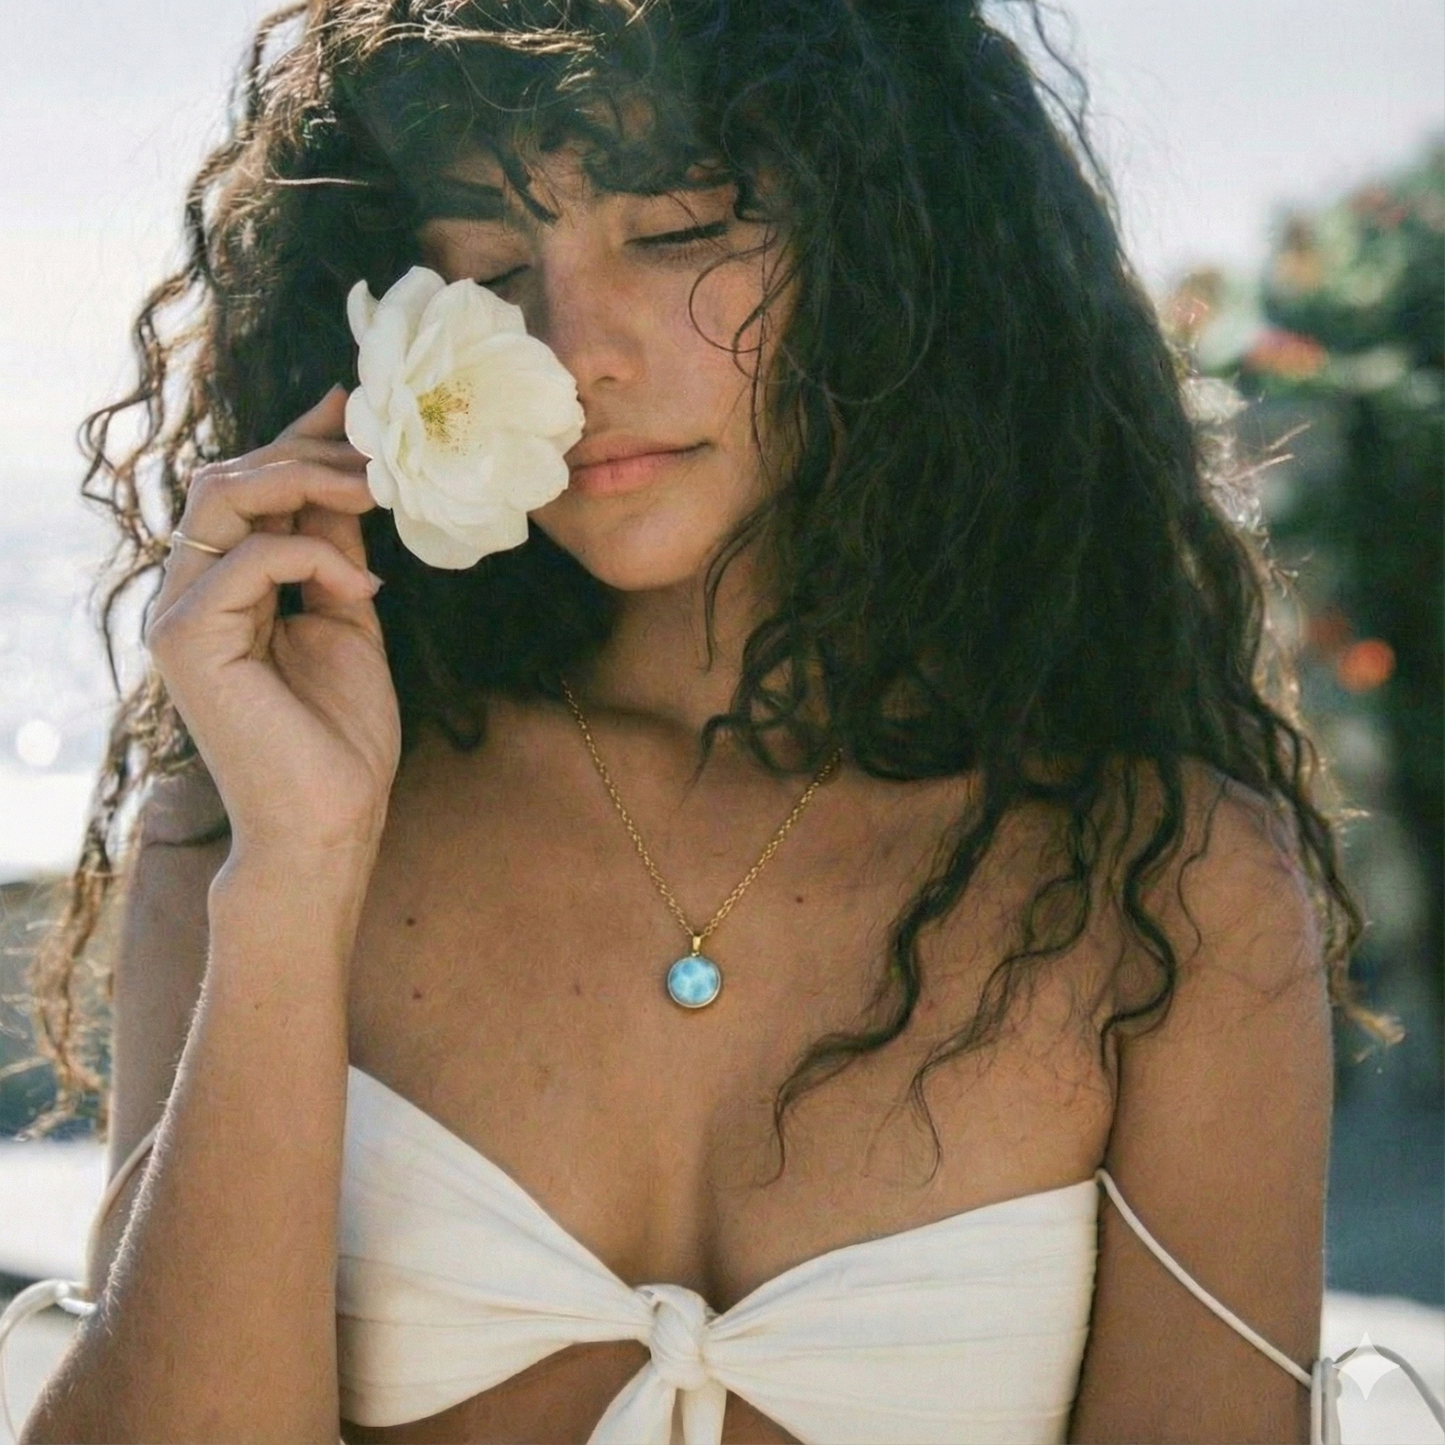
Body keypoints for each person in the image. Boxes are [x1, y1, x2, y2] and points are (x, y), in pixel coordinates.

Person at [8, 1, 1415, 1442]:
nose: (576, 350)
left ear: (894, 245)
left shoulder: (1158, 887)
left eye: (679, 229)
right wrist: (297, 884)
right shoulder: (259, 821)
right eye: (491, 265)